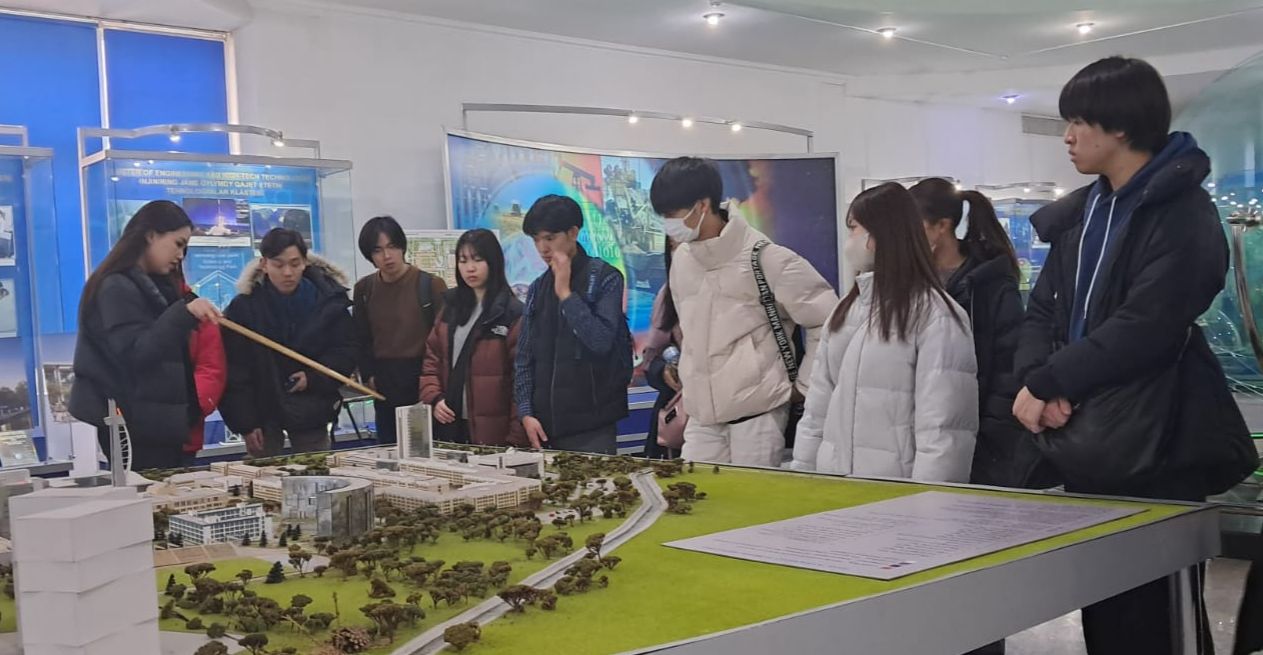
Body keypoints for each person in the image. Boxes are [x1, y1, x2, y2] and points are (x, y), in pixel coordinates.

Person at [1013, 57, 1258, 655]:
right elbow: (1044, 308)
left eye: (1079, 121)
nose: (1068, 136)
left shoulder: (1184, 212)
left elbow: (1149, 324)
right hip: (1086, 434)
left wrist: (1052, 381)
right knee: (1103, 600)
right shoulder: (1084, 213)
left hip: (1156, 435)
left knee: (1157, 609)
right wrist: (1042, 381)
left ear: (1120, 126)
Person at [651, 157, 837, 467]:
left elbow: (828, 320)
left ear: (702, 205)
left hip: (757, 416)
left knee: (754, 497)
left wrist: (804, 386)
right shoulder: (682, 260)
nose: (668, 223)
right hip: (700, 417)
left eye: (672, 214)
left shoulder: (765, 257)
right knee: (698, 494)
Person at [790, 183, 978, 480]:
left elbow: (942, 431)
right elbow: (817, 410)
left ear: (881, 233)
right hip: (834, 488)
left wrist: (930, 501)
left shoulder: (936, 315)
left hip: (896, 492)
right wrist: (803, 478)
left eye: (853, 228)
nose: (849, 239)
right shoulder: (845, 312)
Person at [910, 178, 1055, 490]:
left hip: (979, 438)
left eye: (913, 226)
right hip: (924, 431)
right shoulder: (911, 283)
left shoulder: (989, 283)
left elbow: (1007, 368)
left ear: (942, 226)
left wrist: (990, 439)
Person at [69, 200, 221, 470]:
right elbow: (136, 352)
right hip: (134, 424)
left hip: (157, 423)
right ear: (151, 235)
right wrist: (183, 314)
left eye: (185, 248)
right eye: (177, 244)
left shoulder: (155, 284)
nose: (181, 255)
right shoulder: (115, 286)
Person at [219, 228, 356, 456]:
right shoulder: (244, 308)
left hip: (312, 408)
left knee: (316, 471)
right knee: (263, 474)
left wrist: (313, 377)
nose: (287, 272)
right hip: (262, 414)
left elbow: (346, 351)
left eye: (295, 263)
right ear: (264, 264)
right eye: (278, 264)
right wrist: (246, 423)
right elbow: (234, 370)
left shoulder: (328, 301)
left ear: (305, 262)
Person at [514, 195, 632, 454]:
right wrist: (526, 412)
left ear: (573, 233)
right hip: (544, 426)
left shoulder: (605, 278)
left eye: (549, 238)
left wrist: (566, 294)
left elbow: (600, 341)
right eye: (536, 240)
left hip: (592, 426)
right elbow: (524, 357)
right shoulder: (537, 288)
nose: (543, 248)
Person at [419, 229, 526, 447]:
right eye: (463, 260)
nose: (470, 268)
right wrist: (434, 397)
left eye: (478, 260)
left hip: (494, 431)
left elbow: (521, 379)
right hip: (451, 425)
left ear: (493, 262)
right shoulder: (450, 307)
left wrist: (516, 437)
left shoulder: (511, 313)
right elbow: (431, 361)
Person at [351, 215, 447, 445]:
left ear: (402, 247)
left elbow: (443, 341)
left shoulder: (430, 285)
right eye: (378, 250)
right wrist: (368, 374)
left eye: (392, 246)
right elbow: (361, 337)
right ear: (370, 255)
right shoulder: (364, 289)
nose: (387, 256)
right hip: (383, 382)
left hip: (421, 379)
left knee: (424, 449)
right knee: (388, 449)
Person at [172, 268, 227, 463]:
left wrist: (190, 410)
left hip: (186, 429)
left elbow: (211, 368)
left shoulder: (198, 310)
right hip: (135, 433)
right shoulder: (132, 306)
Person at [641, 237, 685, 460]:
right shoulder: (667, 296)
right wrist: (665, 371)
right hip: (681, 414)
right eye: (674, 246)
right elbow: (651, 362)